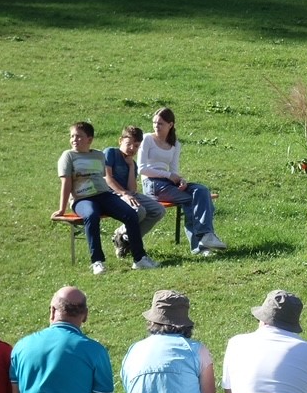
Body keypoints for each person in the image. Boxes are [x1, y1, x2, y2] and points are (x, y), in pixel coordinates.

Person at [54, 121, 158, 275]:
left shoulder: (98, 155)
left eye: (79, 136)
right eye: (72, 136)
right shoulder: (68, 156)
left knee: (131, 214)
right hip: (82, 199)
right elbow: (66, 183)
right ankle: (97, 261)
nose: (74, 139)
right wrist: (62, 209)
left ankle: (139, 259)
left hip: (104, 195)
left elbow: (102, 179)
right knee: (91, 215)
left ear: (89, 139)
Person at [138, 106, 225, 255]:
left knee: (202, 190)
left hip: (168, 182)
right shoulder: (147, 139)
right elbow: (141, 169)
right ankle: (203, 241)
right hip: (152, 184)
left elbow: (174, 170)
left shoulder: (175, 144)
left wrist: (180, 180)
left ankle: (204, 240)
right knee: (196, 200)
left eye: (160, 123)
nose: (156, 126)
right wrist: (168, 175)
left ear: (170, 125)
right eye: (154, 123)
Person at [103, 125, 167, 259]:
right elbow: (107, 178)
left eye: (136, 146)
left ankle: (124, 237)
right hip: (111, 194)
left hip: (128, 194)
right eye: (128, 144)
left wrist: (131, 166)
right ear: (120, 141)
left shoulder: (132, 163)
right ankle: (126, 239)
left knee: (159, 210)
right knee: (139, 211)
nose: (132, 148)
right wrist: (124, 194)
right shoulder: (111, 153)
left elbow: (132, 189)